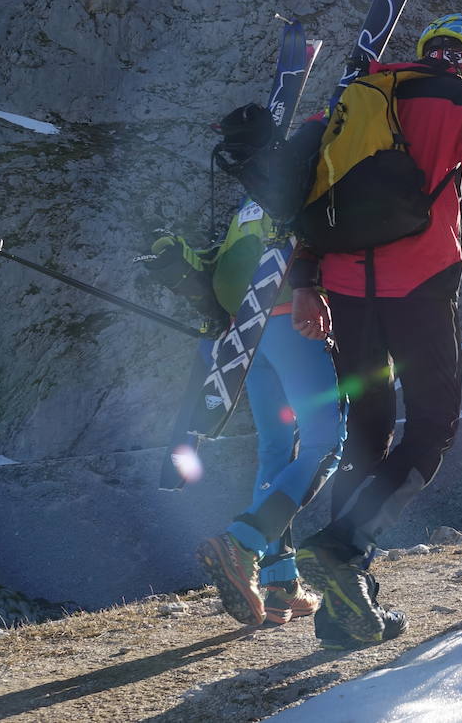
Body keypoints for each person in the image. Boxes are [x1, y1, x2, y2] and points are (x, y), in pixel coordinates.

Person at [289, 13, 462, 648]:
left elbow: (309, 190)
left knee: (367, 437)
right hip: (420, 287)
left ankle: (342, 614)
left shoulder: (362, 94)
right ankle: (345, 547)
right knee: (432, 428)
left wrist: (306, 281)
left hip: (347, 292)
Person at [145, 200, 345, 627]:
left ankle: (279, 585)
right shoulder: (307, 177)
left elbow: (218, 260)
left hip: (247, 331)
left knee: (275, 449)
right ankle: (243, 540)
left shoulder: (244, 208)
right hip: (297, 320)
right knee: (324, 441)